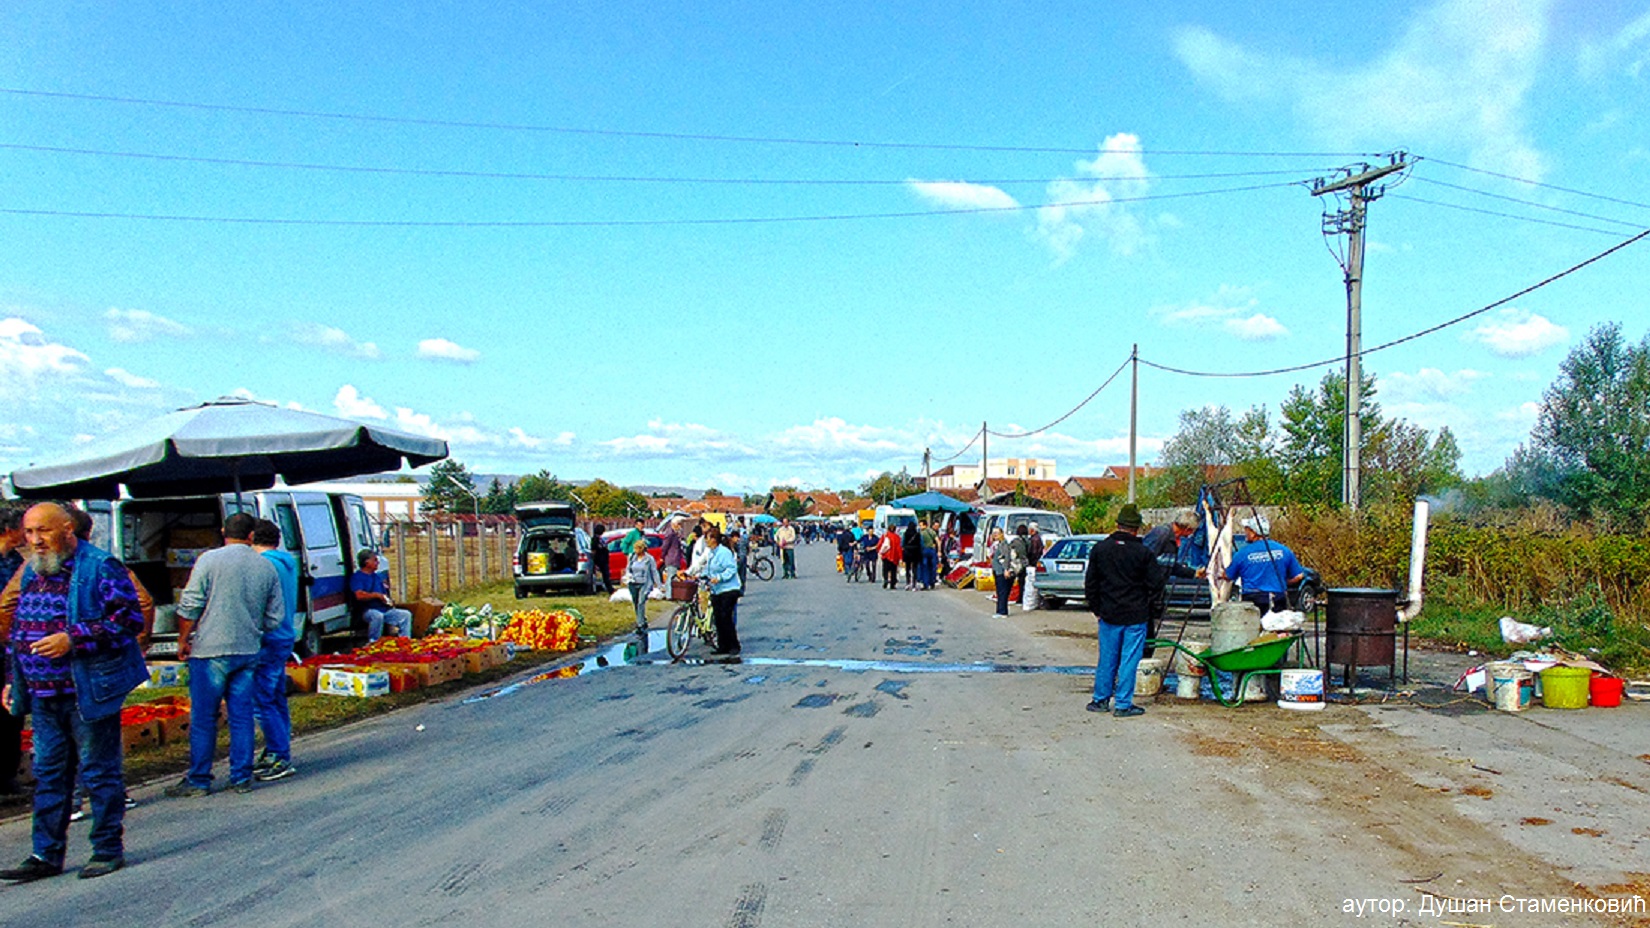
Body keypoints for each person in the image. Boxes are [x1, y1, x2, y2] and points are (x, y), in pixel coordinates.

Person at [0, 503, 146, 882]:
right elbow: (19, 627)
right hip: (43, 695)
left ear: (67, 529)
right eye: (29, 533)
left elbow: (128, 620)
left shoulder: (99, 566)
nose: (34, 540)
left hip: (86, 691)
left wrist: (73, 638)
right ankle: (45, 854)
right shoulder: (33, 569)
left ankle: (107, 848)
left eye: (42, 532)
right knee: (49, 775)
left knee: (98, 772)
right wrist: (13, 679)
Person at [165, 512, 284, 797]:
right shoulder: (266, 567)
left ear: (222, 532)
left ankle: (199, 778)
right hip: (247, 649)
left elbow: (190, 604)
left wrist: (183, 639)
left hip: (210, 650)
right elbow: (275, 617)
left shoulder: (208, 560)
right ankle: (241, 775)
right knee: (241, 715)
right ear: (252, 535)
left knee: (205, 717)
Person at [1083, 504, 1169, 718]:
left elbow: (1090, 583)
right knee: (1129, 660)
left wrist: (1097, 608)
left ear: (1117, 524)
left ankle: (1100, 699)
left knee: (1107, 659)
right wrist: (1146, 602)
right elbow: (1157, 583)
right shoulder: (1143, 553)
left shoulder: (1100, 549)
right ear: (1137, 528)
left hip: (1109, 613)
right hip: (1135, 615)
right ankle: (1123, 704)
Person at [249, 519, 299, 783]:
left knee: (262, 699)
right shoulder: (286, 562)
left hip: (268, 636)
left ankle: (279, 753)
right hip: (285, 632)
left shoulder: (264, 565)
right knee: (276, 695)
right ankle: (277, 748)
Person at [1224, 515, 1305, 615]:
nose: (1245, 533)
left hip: (1252, 600)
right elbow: (1299, 576)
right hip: (1277, 597)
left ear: (1254, 533)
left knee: (1253, 628)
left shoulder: (1242, 553)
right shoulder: (1284, 550)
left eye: (1247, 530)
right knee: (1276, 628)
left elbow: (1228, 576)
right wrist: (1281, 582)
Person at [0, 505, 27, 798]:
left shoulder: (16, 561)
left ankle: (7, 775)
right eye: (26, 528)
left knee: (11, 714)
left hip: (11, 651)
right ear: (10, 529)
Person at [690, 526, 742, 656]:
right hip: (716, 590)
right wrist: (698, 575)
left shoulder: (724, 552)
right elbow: (707, 568)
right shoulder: (711, 553)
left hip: (729, 589)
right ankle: (722, 645)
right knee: (718, 618)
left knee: (726, 617)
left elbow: (731, 569)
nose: (705, 542)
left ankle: (734, 645)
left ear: (714, 539)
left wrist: (719, 578)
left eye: (707, 539)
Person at [351, 550, 411, 640]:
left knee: (405, 614)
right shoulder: (358, 577)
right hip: (368, 610)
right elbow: (359, 595)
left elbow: (384, 593)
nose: (378, 562)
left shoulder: (376, 576)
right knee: (377, 616)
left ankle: (405, 640)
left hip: (383, 609)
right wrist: (376, 595)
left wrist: (389, 601)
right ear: (367, 562)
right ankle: (374, 642)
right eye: (375, 560)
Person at [625, 537, 661, 634]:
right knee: (636, 602)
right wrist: (628, 576)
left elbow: (654, 571)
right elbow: (628, 569)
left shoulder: (649, 559)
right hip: (633, 583)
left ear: (642, 549)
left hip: (644, 583)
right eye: (635, 548)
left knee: (641, 602)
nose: (635, 551)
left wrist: (659, 585)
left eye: (638, 549)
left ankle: (640, 624)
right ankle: (642, 619)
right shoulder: (632, 557)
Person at [988, 527, 1014, 618]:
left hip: (1001, 571)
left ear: (1002, 534)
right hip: (997, 570)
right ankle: (1000, 610)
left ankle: (1002, 612)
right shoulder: (997, 544)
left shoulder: (1004, 544)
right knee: (999, 591)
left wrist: (1006, 569)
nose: (995, 535)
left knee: (1002, 591)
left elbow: (1006, 557)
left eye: (997, 533)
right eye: (994, 533)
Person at [1008, 525, 1032, 604]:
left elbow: (1011, 551)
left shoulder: (1015, 541)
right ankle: (1022, 598)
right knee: (1023, 582)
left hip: (1017, 563)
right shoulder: (1028, 541)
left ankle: (1018, 598)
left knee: (1014, 580)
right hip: (1026, 563)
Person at [660, 517, 685, 584]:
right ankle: (669, 594)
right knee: (671, 578)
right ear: (674, 524)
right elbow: (665, 546)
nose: (680, 526)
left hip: (675, 559)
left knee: (672, 578)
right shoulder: (670, 533)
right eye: (679, 524)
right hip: (672, 559)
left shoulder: (675, 533)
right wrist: (662, 556)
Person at [878, 525, 903, 590]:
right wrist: (900, 557)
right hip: (894, 556)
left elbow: (880, 544)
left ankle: (886, 579)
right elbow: (899, 548)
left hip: (886, 555)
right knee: (893, 570)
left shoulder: (885, 536)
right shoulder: (897, 537)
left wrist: (880, 552)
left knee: (885, 569)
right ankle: (892, 584)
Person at [919, 519, 939, 590]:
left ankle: (925, 583)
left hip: (924, 551)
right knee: (933, 567)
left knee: (925, 567)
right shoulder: (931, 531)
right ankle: (932, 582)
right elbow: (937, 540)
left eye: (921, 525)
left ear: (925, 525)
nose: (920, 526)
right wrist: (939, 551)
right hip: (932, 550)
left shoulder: (921, 533)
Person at [590, 523, 610, 593]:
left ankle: (608, 588)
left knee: (606, 575)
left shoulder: (601, 539)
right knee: (604, 575)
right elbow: (594, 550)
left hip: (604, 560)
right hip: (599, 560)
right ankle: (608, 588)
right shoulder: (595, 539)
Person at [901, 523, 922, 591]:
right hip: (916, 552)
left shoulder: (905, 534)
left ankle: (908, 583)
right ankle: (914, 584)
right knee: (915, 569)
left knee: (907, 568)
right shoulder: (918, 534)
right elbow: (922, 544)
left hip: (907, 552)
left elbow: (902, 543)